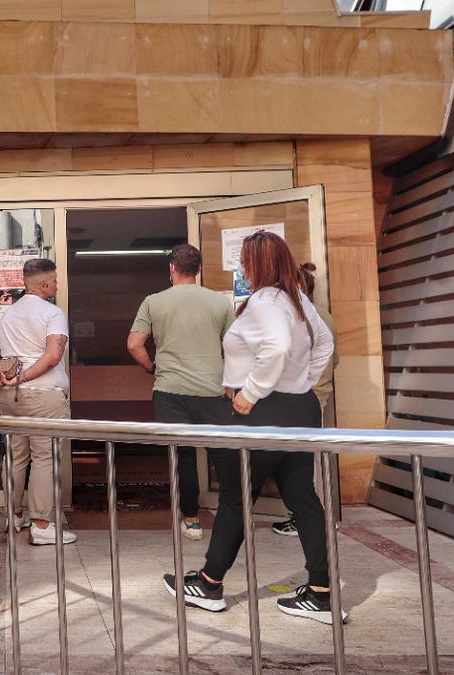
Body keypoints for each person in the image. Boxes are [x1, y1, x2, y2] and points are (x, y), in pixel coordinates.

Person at [163, 231, 346, 625]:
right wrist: (302, 383)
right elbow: (325, 344)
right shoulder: (297, 299)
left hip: (260, 411)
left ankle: (210, 583)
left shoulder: (263, 302)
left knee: (235, 496)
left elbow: (275, 348)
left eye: (245, 260)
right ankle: (321, 591)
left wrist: (253, 392)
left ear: (256, 263)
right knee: (303, 498)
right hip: (300, 409)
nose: (242, 267)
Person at [127, 244, 236, 541]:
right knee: (223, 457)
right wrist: (230, 383)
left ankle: (191, 520)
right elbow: (236, 347)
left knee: (183, 458)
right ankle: (233, 517)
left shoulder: (153, 301)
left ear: (172, 269)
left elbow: (134, 345)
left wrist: (151, 367)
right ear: (199, 270)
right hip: (212, 390)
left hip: (170, 391)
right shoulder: (220, 303)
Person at [0, 258, 76, 546]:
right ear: (45, 284)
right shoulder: (53, 313)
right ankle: (41, 524)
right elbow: (52, 356)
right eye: (56, 279)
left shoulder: (9, 314)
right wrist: (20, 377)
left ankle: (14, 516)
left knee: (15, 455)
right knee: (44, 457)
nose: (58, 284)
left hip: (10, 398)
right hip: (43, 396)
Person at [272, 261, 339, 537]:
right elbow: (335, 358)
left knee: (302, 460)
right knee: (309, 457)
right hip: (319, 390)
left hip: (301, 394)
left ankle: (309, 517)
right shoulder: (327, 316)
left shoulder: (300, 318)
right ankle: (315, 515)